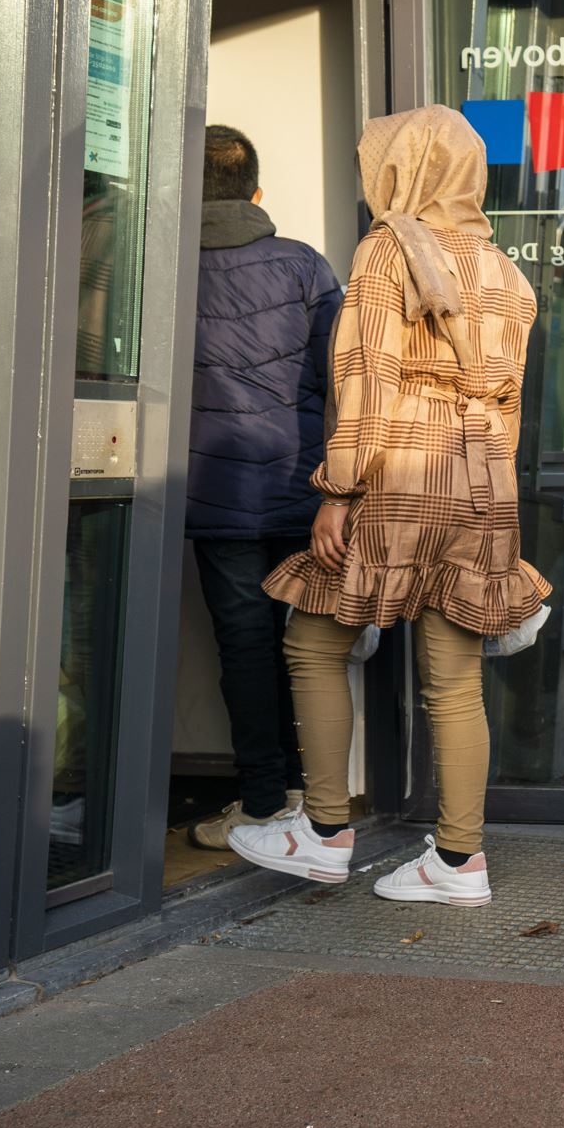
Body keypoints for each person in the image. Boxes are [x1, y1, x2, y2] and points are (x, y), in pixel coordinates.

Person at [228, 106, 551, 906]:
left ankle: (326, 831)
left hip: (402, 467)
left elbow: (366, 381)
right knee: (454, 678)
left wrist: (339, 490)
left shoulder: (389, 247)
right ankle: (459, 860)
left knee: (310, 641)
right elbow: (509, 406)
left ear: (404, 169)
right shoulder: (507, 272)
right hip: (482, 478)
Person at [183, 126, 341, 851]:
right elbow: (345, 380)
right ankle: (312, 794)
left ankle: (262, 802)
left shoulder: (165, 268)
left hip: (213, 486)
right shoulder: (306, 266)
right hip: (300, 481)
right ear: (257, 192)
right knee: (305, 641)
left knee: (244, 643)